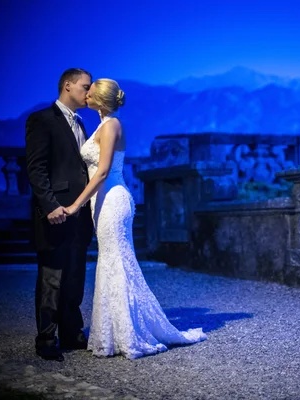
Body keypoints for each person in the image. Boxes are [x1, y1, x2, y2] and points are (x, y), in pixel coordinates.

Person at [63, 78, 207, 359]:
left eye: (90, 93)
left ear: (100, 100)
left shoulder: (112, 125)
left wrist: (75, 204)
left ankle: (129, 333)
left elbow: (103, 172)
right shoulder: (103, 125)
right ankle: (114, 333)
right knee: (110, 261)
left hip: (113, 198)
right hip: (102, 201)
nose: (86, 96)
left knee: (117, 260)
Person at [25, 68, 94, 361]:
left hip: (79, 213)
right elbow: (36, 169)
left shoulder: (81, 123)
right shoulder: (41, 120)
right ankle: (46, 338)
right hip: (55, 212)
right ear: (68, 86)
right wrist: (50, 205)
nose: (89, 93)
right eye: (85, 87)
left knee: (76, 274)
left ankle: (71, 331)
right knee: (52, 276)